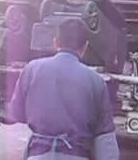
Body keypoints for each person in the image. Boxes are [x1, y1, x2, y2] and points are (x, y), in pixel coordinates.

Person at [9, 18, 119, 160]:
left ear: (56, 42)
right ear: (85, 47)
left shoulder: (31, 69)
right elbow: (105, 140)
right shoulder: (96, 81)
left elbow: (17, 113)